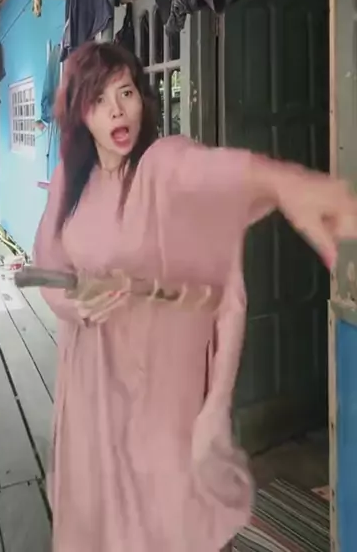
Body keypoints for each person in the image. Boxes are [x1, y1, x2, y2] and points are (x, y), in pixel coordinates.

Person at [33, 41, 357, 552]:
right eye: (98, 99)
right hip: (91, 382)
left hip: (163, 393)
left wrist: (282, 181)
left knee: (168, 525)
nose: (117, 110)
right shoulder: (68, 183)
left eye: (126, 92)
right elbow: (47, 266)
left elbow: (230, 296)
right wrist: (75, 305)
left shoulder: (163, 165)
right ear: (80, 114)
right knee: (98, 524)